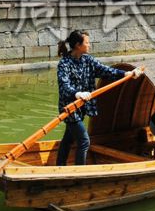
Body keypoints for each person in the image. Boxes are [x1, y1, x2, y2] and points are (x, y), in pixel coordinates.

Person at [56, 30, 142, 165]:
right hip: (70, 109)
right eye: (87, 43)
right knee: (84, 141)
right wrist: (77, 94)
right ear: (78, 45)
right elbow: (64, 85)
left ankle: (59, 166)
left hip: (82, 108)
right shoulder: (64, 64)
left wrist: (126, 74)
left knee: (68, 139)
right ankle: (80, 174)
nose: (90, 45)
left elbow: (106, 71)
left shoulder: (88, 60)